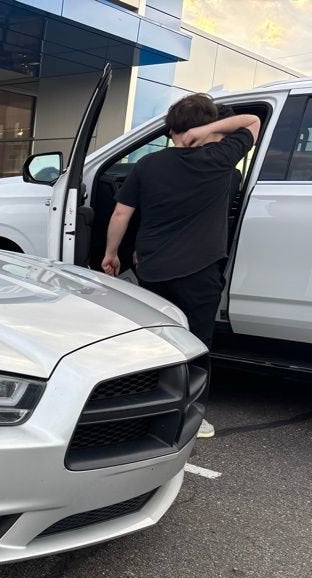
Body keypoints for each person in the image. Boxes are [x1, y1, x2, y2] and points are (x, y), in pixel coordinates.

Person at [101, 94, 260, 438]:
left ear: (173, 130)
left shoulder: (148, 165)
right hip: (200, 272)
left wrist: (111, 253)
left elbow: (120, 213)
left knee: (157, 340)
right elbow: (252, 122)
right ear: (205, 126)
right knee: (197, 344)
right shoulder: (220, 159)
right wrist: (212, 128)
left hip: (153, 269)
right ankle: (193, 415)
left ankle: (142, 411)